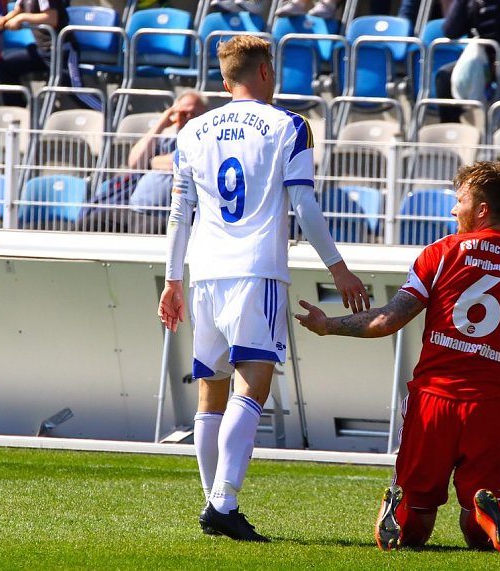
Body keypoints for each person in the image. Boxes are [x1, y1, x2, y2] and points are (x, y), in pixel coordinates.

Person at [295, 161, 500, 554]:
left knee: (416, 530)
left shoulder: (441, 253)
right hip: (490, 408)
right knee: (476, 533)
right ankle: (488, 517)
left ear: (482, 210)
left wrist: (329, 325)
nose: (452, 210)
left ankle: (398, 507)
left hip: (433, 403)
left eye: (459, 200)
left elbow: (386, 321)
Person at [157, 35, 369, 542]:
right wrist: (338, 268)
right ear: (267, 72)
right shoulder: (289, 126)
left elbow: (177, 215)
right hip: (256, 271)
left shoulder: (192, 131)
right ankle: (223, 503)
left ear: (225, 79)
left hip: (204, 273)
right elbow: (305, 207)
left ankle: (215, 504)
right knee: (253, 381)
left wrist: (171, 280)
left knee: (211, 393)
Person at [79, 91, 207, 233]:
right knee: (87, 223)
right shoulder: (166, 141)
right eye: (183, 113)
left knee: (140, 235)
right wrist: (162, 122)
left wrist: (152, 162)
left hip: (162, 215)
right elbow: (135, 162)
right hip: (133, 208)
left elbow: (178, 161)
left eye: (194, 114)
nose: (188, 118)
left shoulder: (204, 142)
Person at [0, 0, 70, 108]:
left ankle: (100, 113)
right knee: (4, 67)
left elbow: (51, 18)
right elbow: (18, 10)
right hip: (40, 51)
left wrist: (22, 18)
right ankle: (18, 114)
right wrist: (4, 19)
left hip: (61, 50)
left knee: (72, 89)